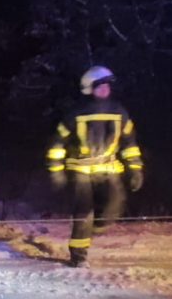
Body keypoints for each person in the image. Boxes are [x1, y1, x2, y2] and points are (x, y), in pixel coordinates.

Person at [47, 66, 144, 268]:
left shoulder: (119, 112)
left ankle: (93, 229)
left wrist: (135, 169)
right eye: (99, 85)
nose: (104, 89)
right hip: (80, 168)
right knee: (84, 212)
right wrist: (56, 171)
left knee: (113, 207)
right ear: (88, 88)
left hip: (108, 167)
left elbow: (129, 143)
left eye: (107, 85)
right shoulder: (75, 113)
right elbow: (57, 143)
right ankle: (79, 256)